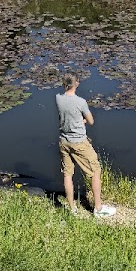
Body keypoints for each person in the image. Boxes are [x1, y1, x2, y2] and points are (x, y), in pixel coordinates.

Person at [56, 73, 116, 217]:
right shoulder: (80, 102)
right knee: (95, 171)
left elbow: (67, 116)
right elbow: (91, 121)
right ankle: (98, 209)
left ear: (64, 84)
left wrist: (77, 120)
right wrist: (81, 120)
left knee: (67, 174)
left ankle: (72, 208)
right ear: (76, 83)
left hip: (64, 141)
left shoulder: (58, 98)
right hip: (79, 143)